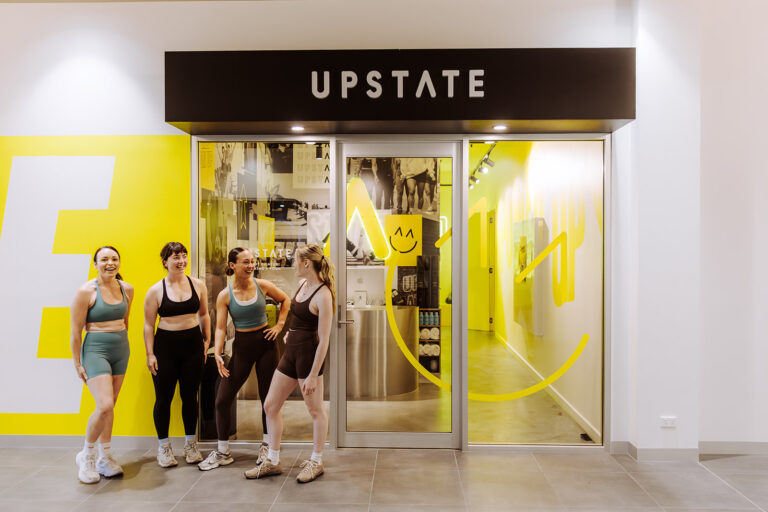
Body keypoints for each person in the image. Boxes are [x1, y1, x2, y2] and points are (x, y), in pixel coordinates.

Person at [245, 244, 335, 483]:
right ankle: (273, 460)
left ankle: (316, 461)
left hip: (308, 357)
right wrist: (290, 334)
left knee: (315, 411)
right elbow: (298, 319)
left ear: (306, 263)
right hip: (291, 354)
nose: (293, 264)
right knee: (271, 405)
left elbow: (324, 339)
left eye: (296, 260)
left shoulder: (324, 295)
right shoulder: (303, 285)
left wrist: (313, 375)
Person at [198, 247, 291, 471]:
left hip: (266, 345)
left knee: (268, 400)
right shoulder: (225, 295)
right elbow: (221, 328)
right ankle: (223, 452)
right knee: (222, 400)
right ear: (233, 265)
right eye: (245, 262)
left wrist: (279, 325)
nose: (250, 266)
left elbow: (285, 300)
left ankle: (267, 446)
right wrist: (218, 352)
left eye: (252, 261)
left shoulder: (262, 285)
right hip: (242, 347)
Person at [70, 246, 134, 484]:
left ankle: (105, 457)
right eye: (104, 259)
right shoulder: (85, 291)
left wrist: (121, 344)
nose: (110, 263)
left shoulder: (127, 289)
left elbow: (126, 320)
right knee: (104, 405)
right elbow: (75, 332)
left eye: (114, 259)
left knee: (111, 405)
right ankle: (86, 455)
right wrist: (78, 363)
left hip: (121, 349)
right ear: (95, 264)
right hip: (95, 350)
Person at [143, 242, 210, 468]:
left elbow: (204, 314)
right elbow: (148, 325)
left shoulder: (198, 285)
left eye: (184, 256)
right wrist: (150, 354)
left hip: (192, 346)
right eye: (175, 257)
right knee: (163, 399)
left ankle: (191, 445)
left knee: (190, 397)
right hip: (165, 348)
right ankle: (164, 447)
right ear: (165, 262)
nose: (181, 261)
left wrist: (207, 341)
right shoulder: (155, 290)